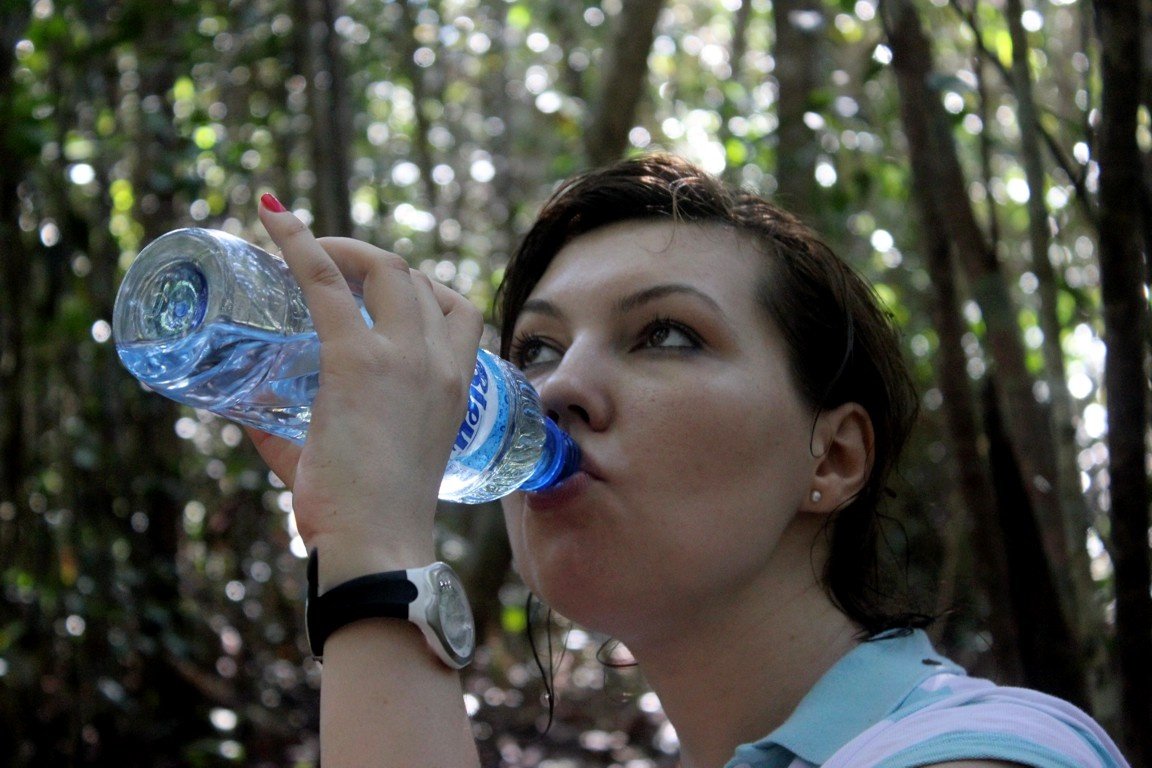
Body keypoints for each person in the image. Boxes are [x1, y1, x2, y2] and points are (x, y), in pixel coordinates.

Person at [247, 154, 1129, 768]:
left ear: (834, 455)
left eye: (666, 334)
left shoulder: (989, 750)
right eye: (538, 349)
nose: (558, 390)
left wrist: (370, 553)